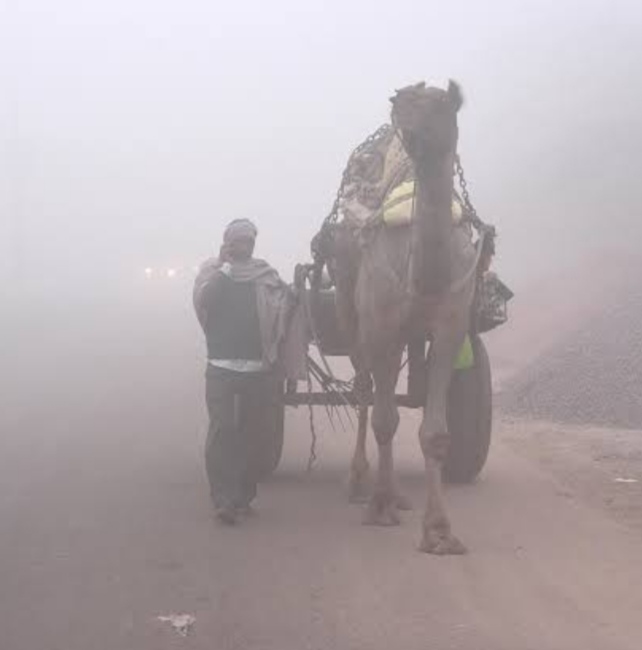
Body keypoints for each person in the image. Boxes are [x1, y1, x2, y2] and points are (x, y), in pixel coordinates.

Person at [193, 219, 293, 525]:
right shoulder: (212, 274)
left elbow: (283, 305)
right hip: (221, 367)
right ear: (227, 243)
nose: (244, 246)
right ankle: (223, 499)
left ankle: (243, 497)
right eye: (238, 241)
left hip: (257, 369)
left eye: (248, 241)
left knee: (254, 436)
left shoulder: (264, 276)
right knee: (223, 430)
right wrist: (225, 268)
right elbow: (206, 301)